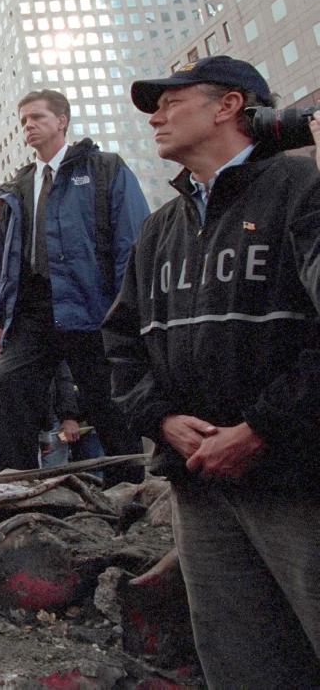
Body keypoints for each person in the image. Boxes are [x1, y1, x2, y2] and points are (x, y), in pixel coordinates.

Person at [103, 56, 320, 684]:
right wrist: (163, 419)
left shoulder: (300, 190)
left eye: (172, 102)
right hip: (200, 489)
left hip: (294, 473)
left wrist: (261, 428)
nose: (155, 117)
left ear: (228, 106)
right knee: (240, 658)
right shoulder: (158, 230)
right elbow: (121, 344)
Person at [0, 88, 150, 486]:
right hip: (34, 309)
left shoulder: (103, 168)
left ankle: (131, 487)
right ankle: (15, 485)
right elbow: (3, 260)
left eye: (37, 117)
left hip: (94, 306)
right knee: (6, 384)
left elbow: (132, 241)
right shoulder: (17, 187)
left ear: (62, 121)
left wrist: (127, 308)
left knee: (106, 399)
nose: (28, 125)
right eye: (23, 119)